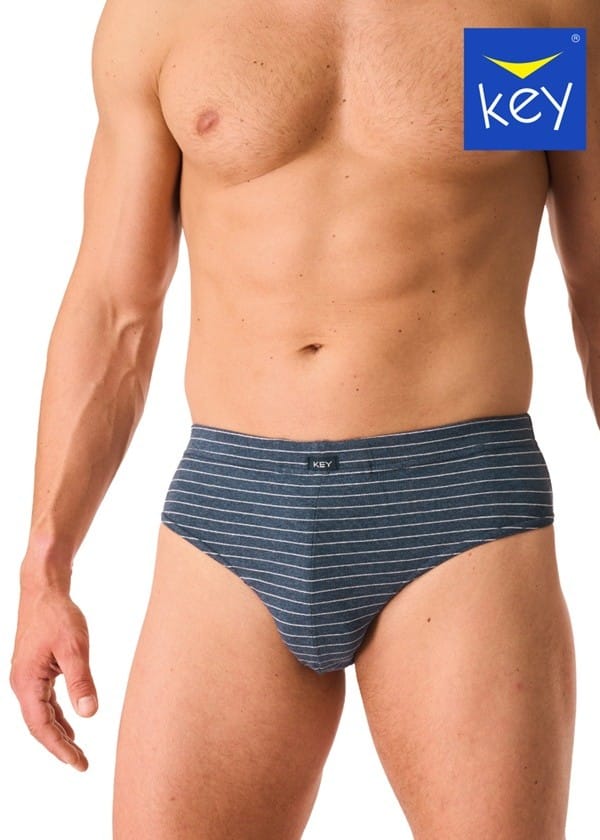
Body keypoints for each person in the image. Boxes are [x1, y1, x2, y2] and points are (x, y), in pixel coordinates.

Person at [10, 0, 595, 836]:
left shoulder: (530, 12)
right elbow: (115, 308)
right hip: (231, 515)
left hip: (457, 508)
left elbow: (594, 283)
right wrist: (45, 568)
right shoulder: (161, 16)